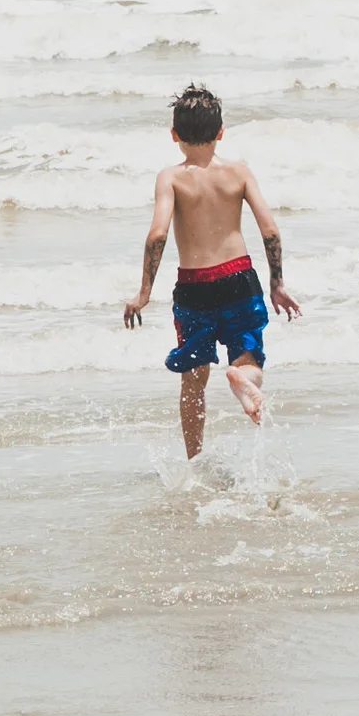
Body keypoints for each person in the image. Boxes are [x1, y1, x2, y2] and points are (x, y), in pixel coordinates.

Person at [122, 85, 300, 457]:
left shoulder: (170, 177)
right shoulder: (239, 172)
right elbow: (270, 230)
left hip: (194, 286)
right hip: (240, 280)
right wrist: (277, 283)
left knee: (193, 381)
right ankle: (243, 381)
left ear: (174, 135)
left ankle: (196, 460)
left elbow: (157, 235)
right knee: (248, 359)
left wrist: (144, 293)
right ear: (221, 132)